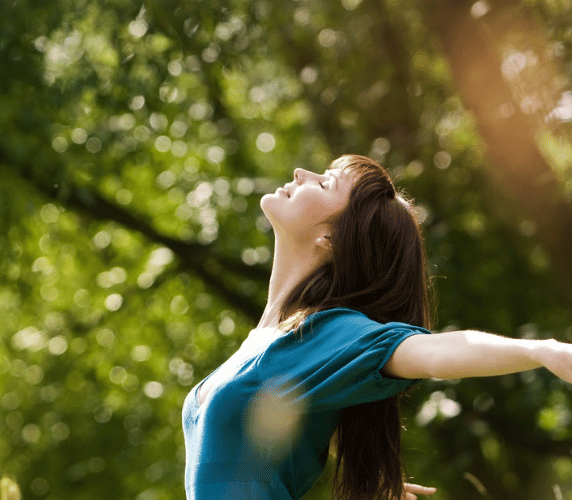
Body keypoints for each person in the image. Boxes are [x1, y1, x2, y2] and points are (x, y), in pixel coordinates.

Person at [182, 154, 572, 500]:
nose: (301, 173)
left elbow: (432, 353)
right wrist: (369, 475)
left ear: (330, 237)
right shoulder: (276, 340)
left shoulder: (328, 332)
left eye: (325, 183)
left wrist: (543, 351)